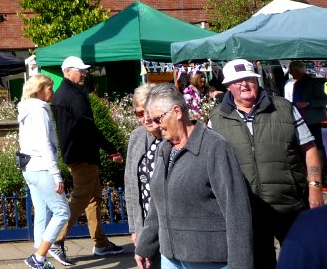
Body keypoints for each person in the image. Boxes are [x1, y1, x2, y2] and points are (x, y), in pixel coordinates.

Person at [209, 58, 323, 269]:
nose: (244, 85)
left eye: (249, 79)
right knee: (261, 263)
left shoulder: (283, 108)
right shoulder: (216, 119)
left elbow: (310, 148)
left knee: (299, 261)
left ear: (257, 80)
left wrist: (315, 188)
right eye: (237, 81)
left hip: (289, 204)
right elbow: (212, 164)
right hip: (248, 208)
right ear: (228, 86)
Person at [134, 83, 253, 269]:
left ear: (177, 111)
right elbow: (157, 205)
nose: (156, 126)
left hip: (209, 259)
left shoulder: (214, 147)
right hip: (170, 258)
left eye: (158, 119)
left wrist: (241, 264)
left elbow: (236, 211)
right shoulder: (164, 149)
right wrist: (145, 246)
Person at [49, 56, 124, 265]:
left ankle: (100, 243)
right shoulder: (73, 95)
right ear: (67, 71)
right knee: (81, 198)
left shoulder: (62, 94)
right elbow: (88, 126)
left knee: (93, 199)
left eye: (84, 70)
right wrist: (111, 150)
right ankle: (56, 240)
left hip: (77, 153)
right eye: (80, 70)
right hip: (82, 155)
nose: (84, 73)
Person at [18, 73, 70, 269]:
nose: (53, 91)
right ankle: (38, 257)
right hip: (41, 167)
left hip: (29, 168)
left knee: (43, 212)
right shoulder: (39, 111)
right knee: (62, 212)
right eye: (49, 88)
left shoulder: (26, 109)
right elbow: (44, 145)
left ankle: (39, 255)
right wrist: (56, 175)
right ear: (39, 90)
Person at [124, 83, 163, 258]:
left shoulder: (173, 138)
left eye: (149, 112)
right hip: (145, 226)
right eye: (140, 113)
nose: (145, 118)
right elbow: (131, 185)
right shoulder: (137, 136)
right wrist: (134, 229)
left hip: (171, 227)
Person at [287, 60, 326, 161]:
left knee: (317, 144)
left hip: (312, 120)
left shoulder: (314, 83)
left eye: (292, 71)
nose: (290, 73)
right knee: (303, 144)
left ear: (299, 71)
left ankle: (323, 169)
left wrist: (308, 103)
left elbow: (323, 100)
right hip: (300, 119)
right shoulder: (296, 84)